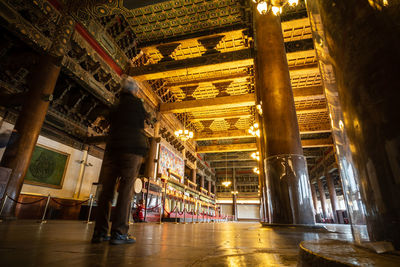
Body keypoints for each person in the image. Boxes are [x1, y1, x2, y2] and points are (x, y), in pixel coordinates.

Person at [92, 75, 150, 245]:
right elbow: (144, 122)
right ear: (135, 90)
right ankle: (119, 232)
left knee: (106, 190)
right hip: (131, 152)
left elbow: (108, 120)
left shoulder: (116, 105)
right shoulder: (137, 104)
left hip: (112, 150)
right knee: (125, 190)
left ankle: (99, 233)